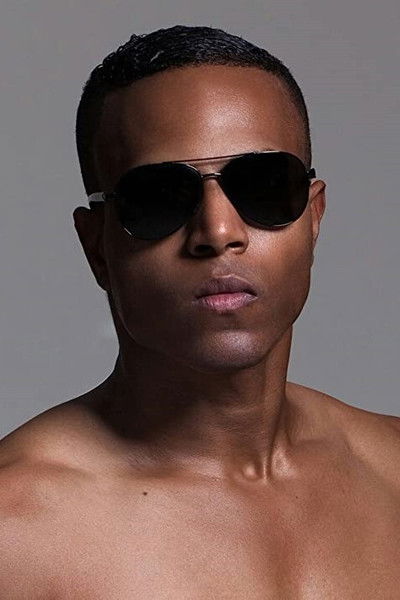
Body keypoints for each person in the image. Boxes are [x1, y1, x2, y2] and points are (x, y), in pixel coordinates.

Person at [0, 24, 399, 599]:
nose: (218, 231)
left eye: (264, 186)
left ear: (313, 218)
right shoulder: (16, 531)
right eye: (160, 198)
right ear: (96, 247)